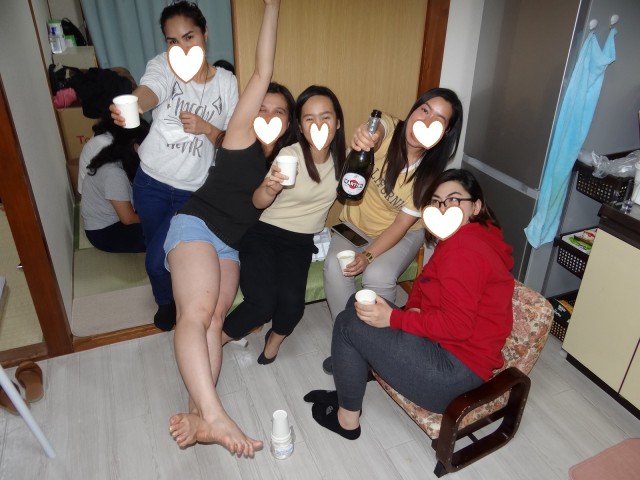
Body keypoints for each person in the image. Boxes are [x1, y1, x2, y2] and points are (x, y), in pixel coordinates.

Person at [305, 168, 515, 440]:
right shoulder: (463, 237)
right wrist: (414, 307)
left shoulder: (466, 250)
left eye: (454, 200)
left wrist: (395, 319)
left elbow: (458, 327)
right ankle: (350, 384)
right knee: (358, 305)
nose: (443, 208)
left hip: (451, 375)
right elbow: (426, 281)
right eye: (437, 202)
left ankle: (347, 421)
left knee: (347, 323)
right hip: (443, 349)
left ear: (476, 206)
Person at [164, 0, 288, 456]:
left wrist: (270, 189)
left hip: (228, 245)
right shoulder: (239, 135)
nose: (267, 114)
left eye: (279, 111)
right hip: (195, 225)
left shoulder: (280, 163)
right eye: (262, 107)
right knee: (195, 314)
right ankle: (216, 415)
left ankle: (198, 415)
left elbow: (254, 205)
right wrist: (272, 7)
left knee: (215, 321)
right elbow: (263, 70)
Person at [111, 1, 239, 331]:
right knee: (155, 251)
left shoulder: (227, 83)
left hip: (192, 192)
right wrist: (133, 105)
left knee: (159, 260)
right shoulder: (164, 67)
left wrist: (207, 128)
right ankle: (166, 300)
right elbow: (150, 90)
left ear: (205, 33)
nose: (181, 48)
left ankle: (173, 303)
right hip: (150, 183)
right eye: (172, 41)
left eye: (189, 37)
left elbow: (232, 142)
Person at [322, 88, 464, 373]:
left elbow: (401, 224)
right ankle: (347, 339)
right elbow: (377, 129)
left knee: (378, 274)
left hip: (404, 233)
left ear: (445, 132)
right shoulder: (388, 130)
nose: (425, 122)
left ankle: (380, 348)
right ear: (414, 109)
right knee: (336, 268)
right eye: (424, 110)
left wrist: (368, 257)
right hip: (355, 226)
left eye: (438, 120)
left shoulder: (430, 175)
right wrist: (367, 135)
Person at [221, 85, 346, 363]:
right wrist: (269, 188)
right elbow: (258, 202)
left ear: (337, 122)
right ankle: (216, 340)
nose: (318, 125)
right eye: (309, 119)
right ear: (300, 126)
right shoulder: (290, 155)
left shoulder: (347, 163)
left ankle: (274, 339)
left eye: (326, 117)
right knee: (261, 303)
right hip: (263, 233)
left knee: (292, 306)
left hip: (300, 242)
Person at [80, 116, 150, 253]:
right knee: (161, 234)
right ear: (135, 146)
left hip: (116, 218)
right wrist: (156, 217)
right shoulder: (114, 173)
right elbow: (128, 219)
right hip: (104, 231)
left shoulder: (115, 155)